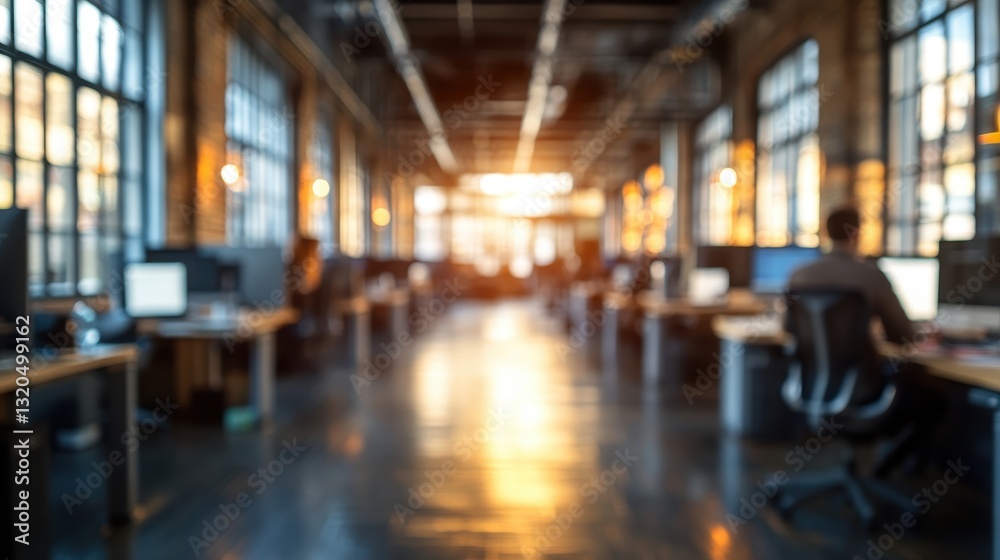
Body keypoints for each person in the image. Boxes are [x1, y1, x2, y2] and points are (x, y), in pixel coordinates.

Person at [788, 206, 944, 478]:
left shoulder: (799, 275)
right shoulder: (870, 275)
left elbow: (789, 329)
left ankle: (874, 473)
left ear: (826, 233)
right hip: (864, 393)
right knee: (935, 400)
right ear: (857, 233)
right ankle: (886, 474)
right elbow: (903, 337)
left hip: (811, 386)